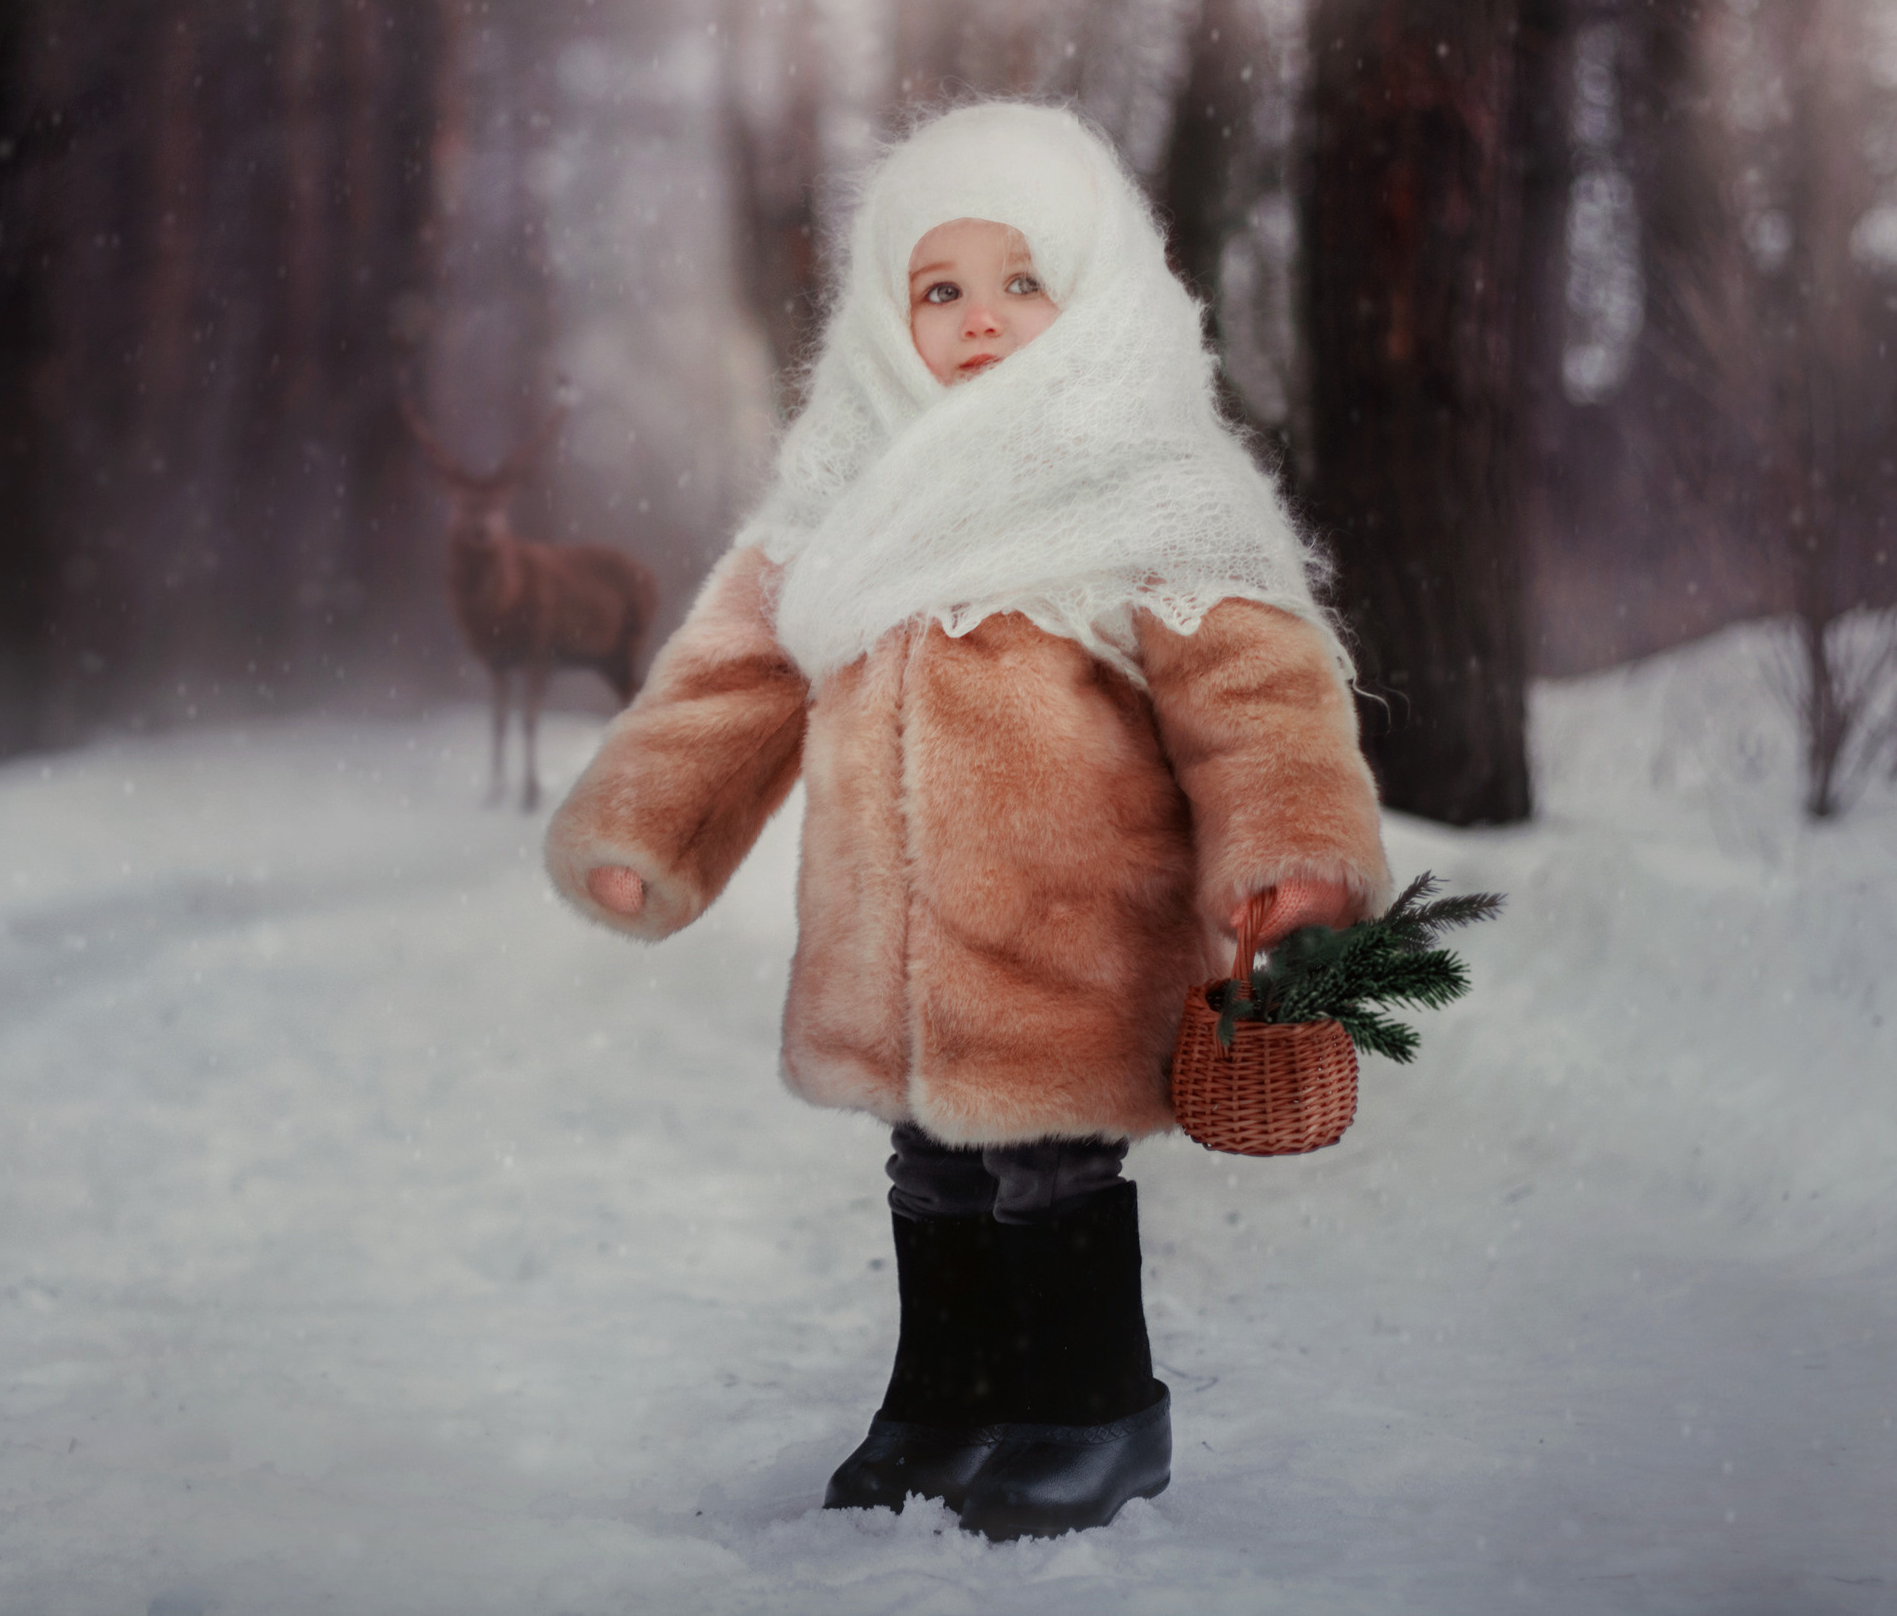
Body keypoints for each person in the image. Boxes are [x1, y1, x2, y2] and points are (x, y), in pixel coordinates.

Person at [543, 101, 1389, 1540]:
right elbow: (734, 675)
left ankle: (1092, 1411)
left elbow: (1257, 695)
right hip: (895, 942)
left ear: (1097, 289)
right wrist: (654, 826)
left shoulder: (1146, 483)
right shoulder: (845, 487)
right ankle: (944, 1400)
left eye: (1023, 281)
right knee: (930, 1159)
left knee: (1047, 1159)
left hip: (1072, 924)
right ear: (890, 313)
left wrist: (1293, 860)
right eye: (942, 289)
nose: (981, 322)